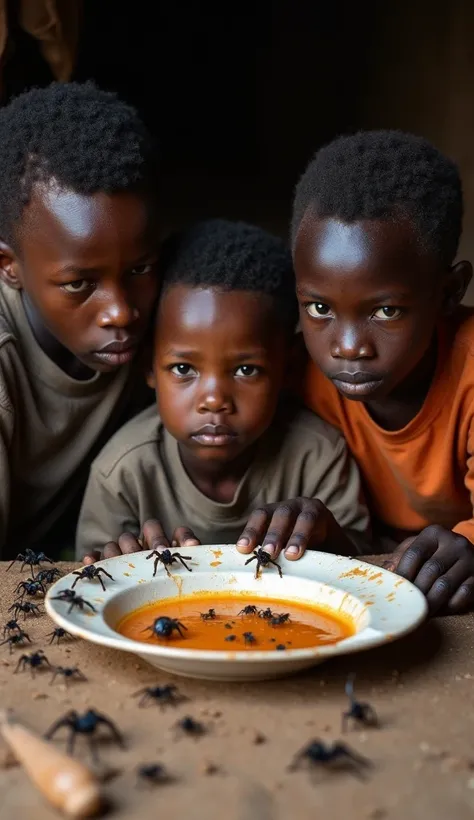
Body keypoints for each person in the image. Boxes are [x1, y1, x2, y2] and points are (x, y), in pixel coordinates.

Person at [77, 219, 368, 562]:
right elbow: (89, 581)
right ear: (147, 367)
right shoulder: (122, 473)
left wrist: (328, 534)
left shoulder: (317, 457)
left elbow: (364, 568)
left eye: (246, 370)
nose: (214, 400)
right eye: (184, 369)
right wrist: (120, 562)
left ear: (288, 368)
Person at [291, 129, 474, 613]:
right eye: (319, 308)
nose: (348, 348)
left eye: (386, 311)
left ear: (450, 291)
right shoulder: (292, 376)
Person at [0, 81, 161, 557]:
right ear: (9, 266)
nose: (121, 312)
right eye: (79, 284)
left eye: (138, 269)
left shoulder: (179, 312)